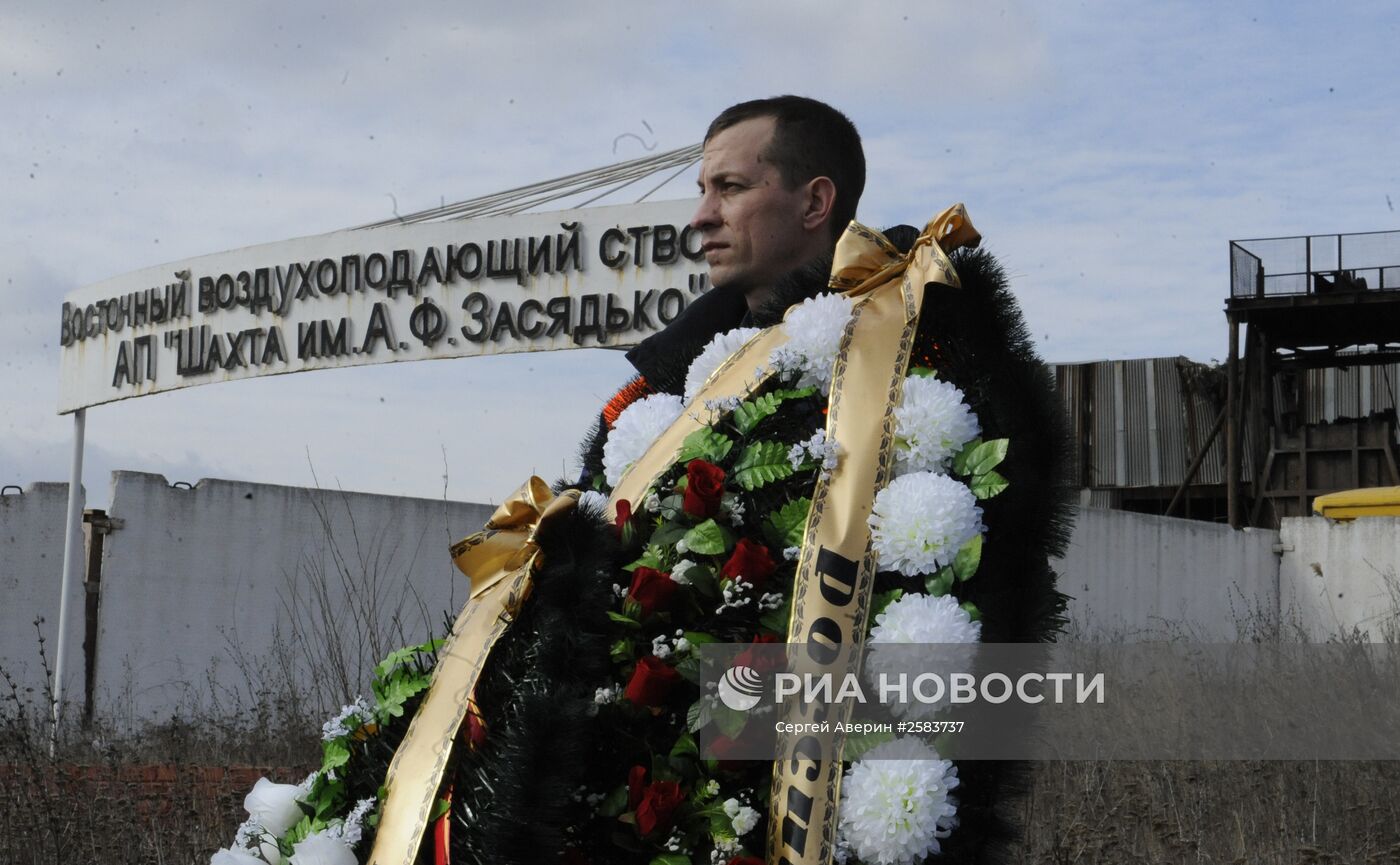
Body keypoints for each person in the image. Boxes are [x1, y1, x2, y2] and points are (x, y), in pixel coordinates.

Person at [583, 95, 867, 480]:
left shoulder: (912, 347)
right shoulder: (655, 388)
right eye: (703, 190)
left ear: (815, 203)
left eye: (730, 187)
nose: (700, 217)